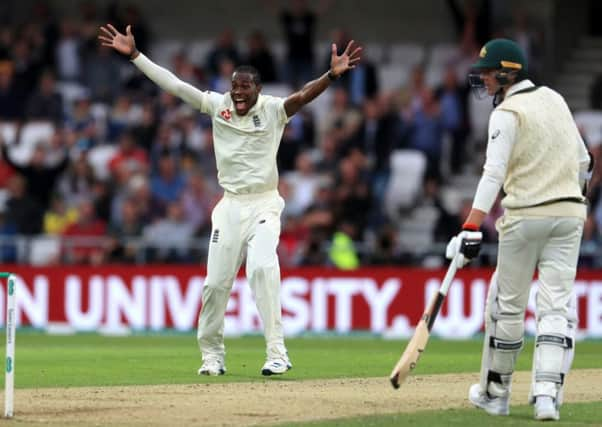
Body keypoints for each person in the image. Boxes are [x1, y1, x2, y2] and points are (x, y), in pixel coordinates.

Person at [99, 23, 361, 376]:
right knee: (215, 285)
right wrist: (135, 56)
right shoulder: (217, 105)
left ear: (258, 89)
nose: (238, 92)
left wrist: (330, 75)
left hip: (265, 204)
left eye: (245, 87)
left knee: (262, 269)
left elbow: (300, 96)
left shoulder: (272, 110)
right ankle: (211, 355)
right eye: (235, 86)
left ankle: (277, 353)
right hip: (230, 206)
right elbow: (175, 86)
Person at [445, 39, 593, 421]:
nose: (483, 79)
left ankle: (497, 393)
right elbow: (584, 161)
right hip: (570, 214)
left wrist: (471, 225)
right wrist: (571, 202)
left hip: (526, 216)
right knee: (556, 307)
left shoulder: (507, 112)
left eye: (488, 72)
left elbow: (493, 173)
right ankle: (547, 397)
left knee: (506, 305)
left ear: (508, 72)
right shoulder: (555, 99)